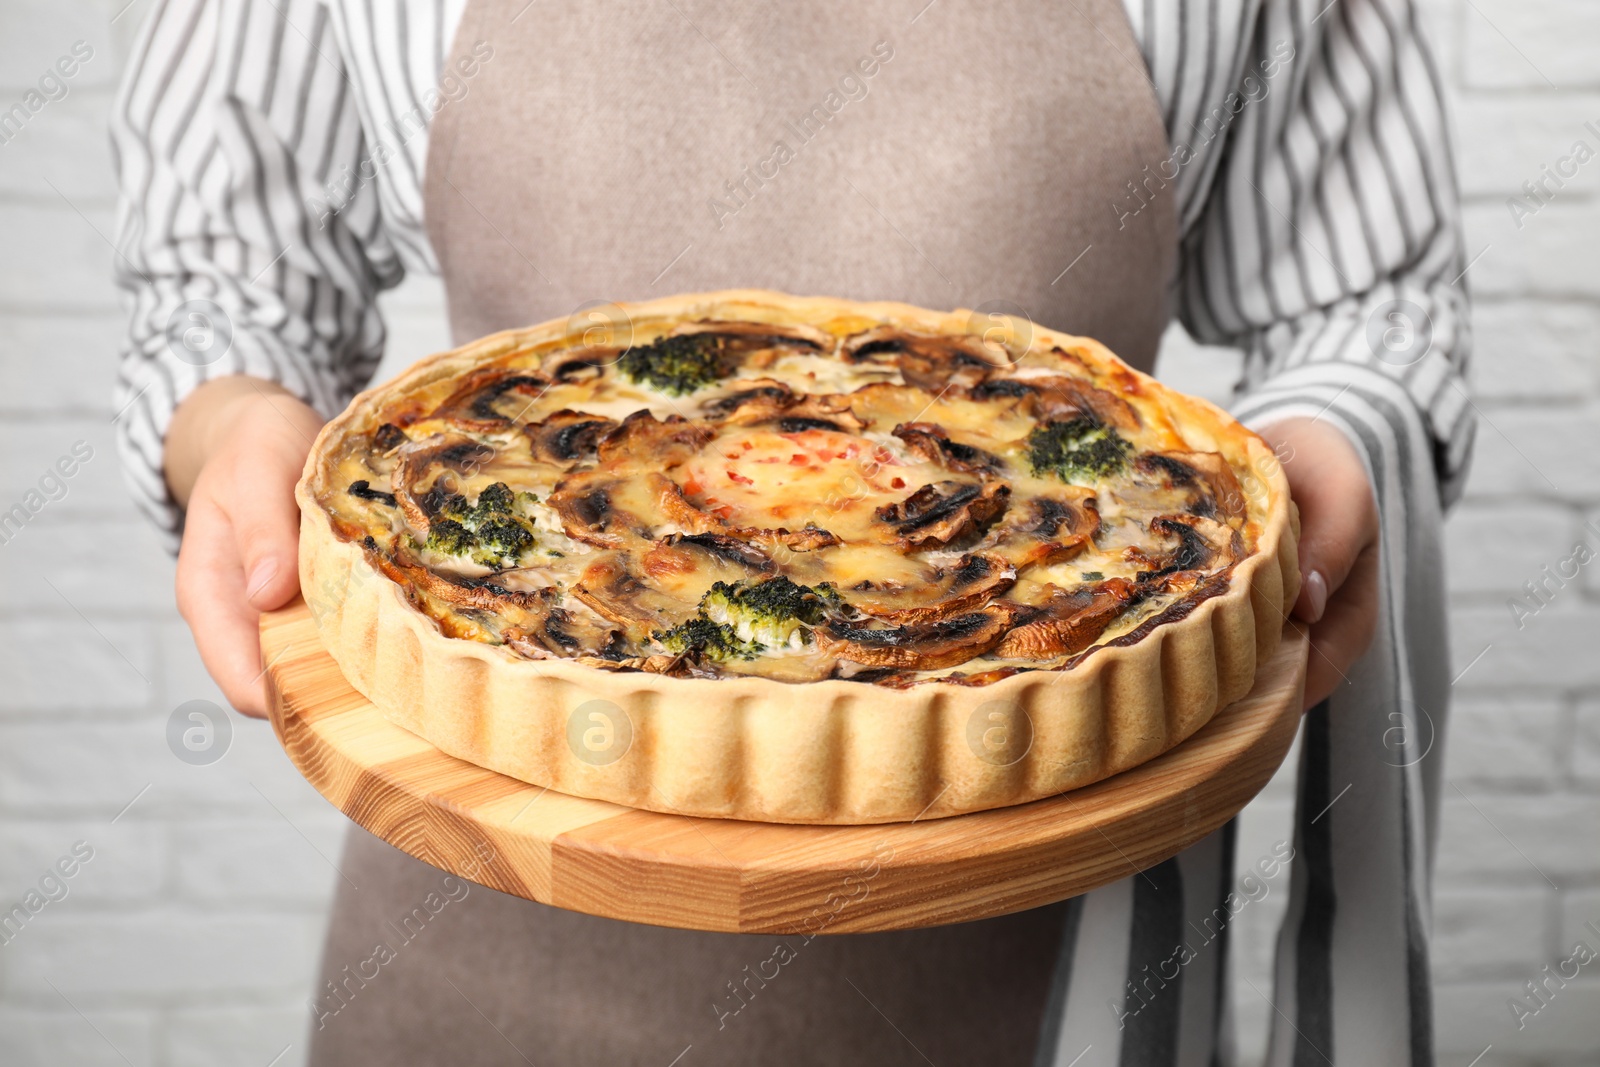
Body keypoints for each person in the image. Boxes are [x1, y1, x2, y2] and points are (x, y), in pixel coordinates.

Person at [112, 0, 1469, 1063]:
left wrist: (1326, 456)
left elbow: (1372, 301)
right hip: (479, 934)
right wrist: (237, 426)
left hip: (1070, 969)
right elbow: (224, 281)